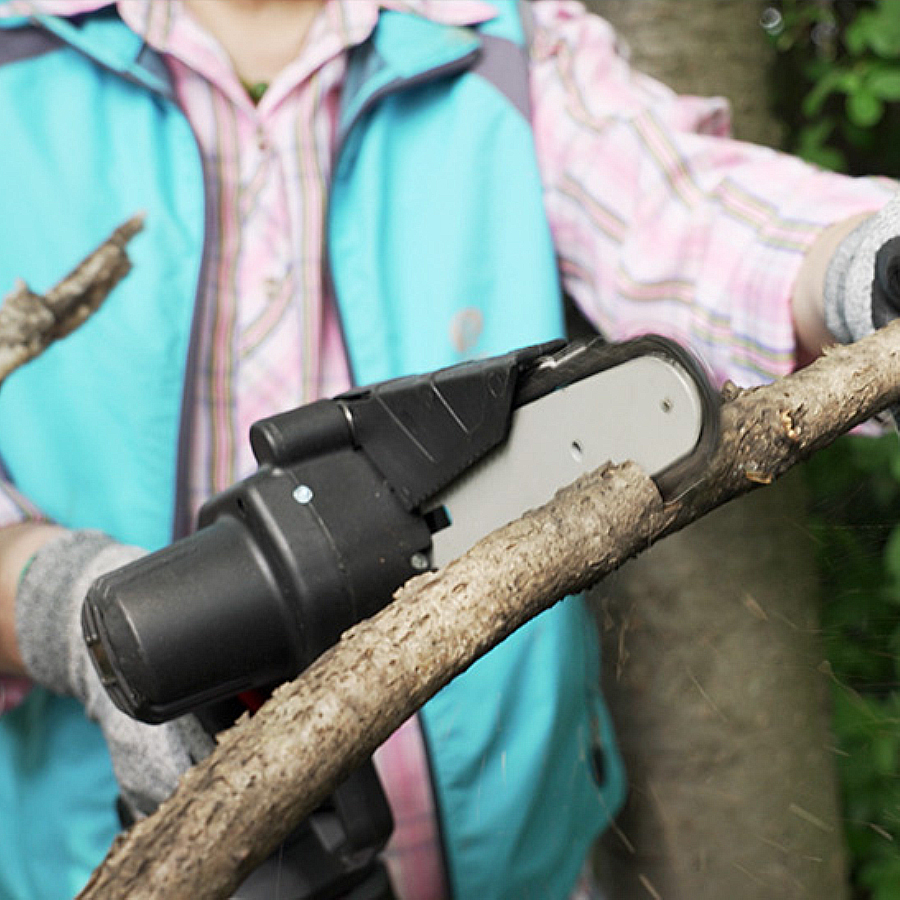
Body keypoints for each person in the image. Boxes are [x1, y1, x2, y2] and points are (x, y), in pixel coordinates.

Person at [0, 1, 896, 898]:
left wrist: (866, 273)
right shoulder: (18, 53)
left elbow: (689, 212)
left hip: (515, 865)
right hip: (92, 860)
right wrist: (60, 602)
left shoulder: (499, 38)